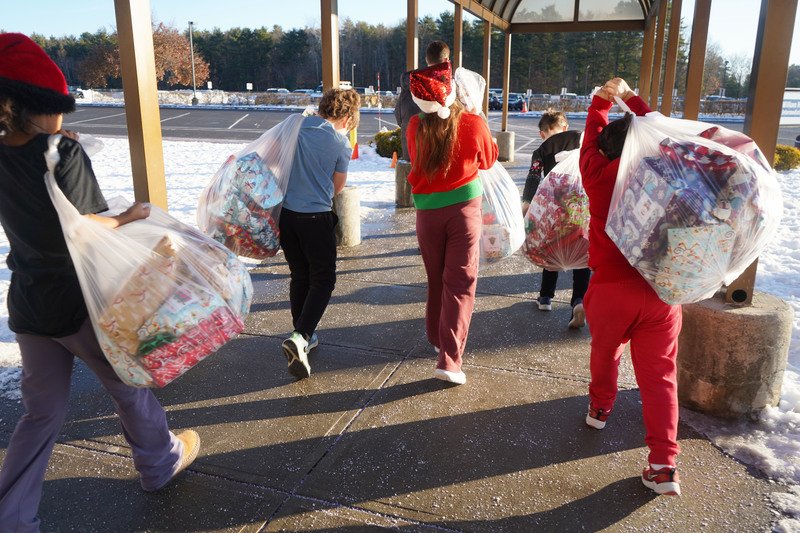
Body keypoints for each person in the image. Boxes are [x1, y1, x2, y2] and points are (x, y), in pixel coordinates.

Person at [0, 33, 200, 531]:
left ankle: (11, 516)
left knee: (41, 414)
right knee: (127, 386)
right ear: (41, 104)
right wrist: (133, 215)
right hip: (82, 302)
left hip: (29, 302)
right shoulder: (59, 153)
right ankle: (159, 463)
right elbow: (87, 230)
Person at [579, 78, 683, 496]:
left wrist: (601, 101)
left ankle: (601, 407)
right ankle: (663, 465)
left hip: (610, 288)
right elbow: (666, 131)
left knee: (605, 352)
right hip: (660, 288)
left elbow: (590, 134)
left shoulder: (597, 175)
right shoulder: (664, 174)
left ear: (606, 148)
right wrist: (634, 99)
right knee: (659, 376)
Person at [406, 59, 498, 385]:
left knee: (436, 279)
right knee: (459, 284)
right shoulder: (473, 122)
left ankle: (436, 339)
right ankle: (450, 360)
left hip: (427, 213)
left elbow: (419, 162)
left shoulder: (415, 126)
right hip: (464, 212)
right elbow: (488, 159)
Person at [279, 88, 360, 379]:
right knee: (323, 278)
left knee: (299, 274)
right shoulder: (340, 143)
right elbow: (337, 187)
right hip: (315, 218)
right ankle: (301, 336)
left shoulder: (295, 127)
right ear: (348, 118)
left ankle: (303, 336)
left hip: (286, 217)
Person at [521, 111, 589, 327]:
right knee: (582, 254)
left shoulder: (541, 149)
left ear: (542, 134)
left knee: (550, 249)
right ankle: (579, 300)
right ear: (565, 126)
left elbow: (533, 176)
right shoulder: (580, 137)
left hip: (555, 210)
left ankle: (545, 297)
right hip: (581, 208)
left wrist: (527, 203)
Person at [395, 40, 450, 161]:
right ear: (447, 60)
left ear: (426, 59)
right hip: (441, 157)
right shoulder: (450, 88)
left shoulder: (410, 82)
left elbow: (399, 115)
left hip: (413, 156)